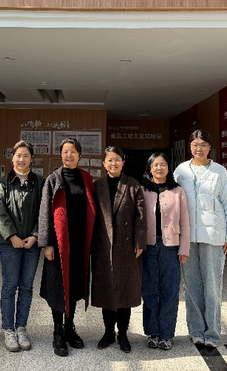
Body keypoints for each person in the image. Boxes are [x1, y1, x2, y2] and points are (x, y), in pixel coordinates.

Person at [174, 129, 227, 349]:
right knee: (191, 285)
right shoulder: (181, 171)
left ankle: (212, 333)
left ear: (210, 147)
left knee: (212, 286)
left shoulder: (219, 172)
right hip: (188, 237)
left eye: (203, 144)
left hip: (213, 236)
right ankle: (195, 331)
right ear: (189, 147)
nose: (198, 148)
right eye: (195, 144)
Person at [38, 138, 96, 357]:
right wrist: (47, 243)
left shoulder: (86, 179)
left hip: (79, 244)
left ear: (79, 155)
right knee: (57, 288)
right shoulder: (53, 179)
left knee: (74, 286)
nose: (69, 155)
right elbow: (45, 212)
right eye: (65, 152)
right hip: (59, 244)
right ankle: (58, 332)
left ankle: (70, 327)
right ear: (60, 155)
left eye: (73, 152)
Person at [91, 146, 146, 353]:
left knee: (124, 291)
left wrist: (140, 242)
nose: (113, 163)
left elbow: (141, 217)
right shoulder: (98, 186)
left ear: (123, 162)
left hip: (126, 247)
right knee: (106, 291)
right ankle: (108, 332)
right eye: (109, 160)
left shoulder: (133, 185)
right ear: (104, 163)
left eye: (117, 160)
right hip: (103, 246)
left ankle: (123, 333)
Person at [0, 140, 43, 352]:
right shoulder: (2, 183)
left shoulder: (40, 183)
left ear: (32, 159)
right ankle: (8, 329)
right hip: (9, 245)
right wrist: (11, 236)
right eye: (18, 155)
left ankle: (21, 327)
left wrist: (35, 235)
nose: (21, 159)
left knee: (27, 286)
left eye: (26, 156)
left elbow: (44, 212)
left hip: (32, 245)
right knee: (9, 286)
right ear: (12, 157)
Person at [141, 152, 189, 351]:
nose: (159, 168)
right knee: (149, 290)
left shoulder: (178, 191)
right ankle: (152, 332)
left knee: (170, 291)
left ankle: (167, 334)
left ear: (169, 168)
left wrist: (184, 248)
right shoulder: (143, 190)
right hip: (148, 246)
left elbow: (185, 222)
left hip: (171, 247)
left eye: (163, 164)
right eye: (155, 165)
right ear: (149, 168)